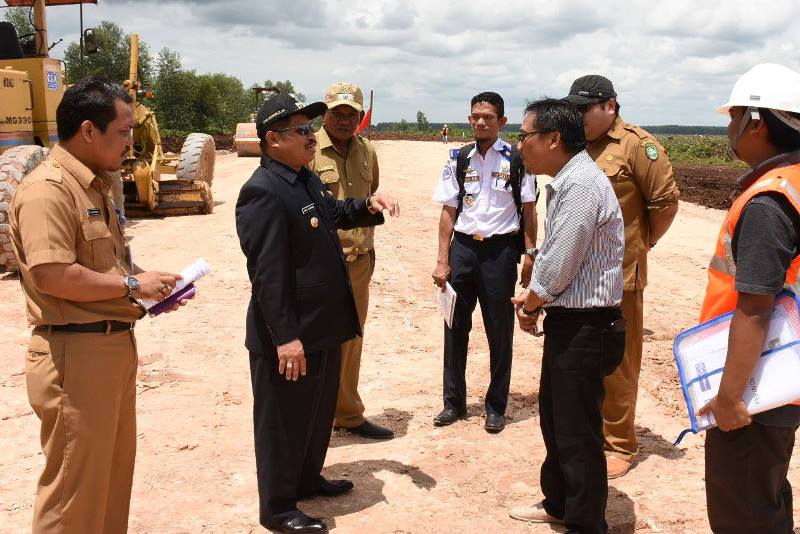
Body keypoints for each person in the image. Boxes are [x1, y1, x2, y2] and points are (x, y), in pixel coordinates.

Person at [9, 76, 190, 533]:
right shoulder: (48, 190)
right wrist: (132, 284)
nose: (130, 142)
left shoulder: (96, 185)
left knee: (108, 483)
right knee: (73, 496)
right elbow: (51, 274)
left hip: (108, 350)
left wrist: (148, 285)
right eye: (124, 131)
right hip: (75, 356)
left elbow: (101, 266)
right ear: (88, 130)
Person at [235, 91, 399, 533]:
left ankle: (307, 479)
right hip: (291, 334)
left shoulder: (302, 178)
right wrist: (285, 336)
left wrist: (367, 205)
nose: (311, 137)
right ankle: (278, 507)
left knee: (315, 413)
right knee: (283, 421)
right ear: (273, 139)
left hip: (322, 325)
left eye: (311, 128)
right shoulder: (263, 191)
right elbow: (267, 274)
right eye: (301, 130)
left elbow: (334, 212)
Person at [508, 98, 625, 534]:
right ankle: (559, 502)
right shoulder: (566, 181)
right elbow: (556, 251)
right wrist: (539, 296)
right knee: (558, 421)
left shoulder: (580, 185)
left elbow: (561, 263)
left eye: (525, 136)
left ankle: (586, 523)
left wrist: (533, 300)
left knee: (578, 432)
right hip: (572, 323)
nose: (520, 146)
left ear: (553, 139)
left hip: (587, 327)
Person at [696, 63, 800, 534]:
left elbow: (755, 308)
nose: (728, 127)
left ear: (755, 121)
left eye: (732, 115)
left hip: (760, 387)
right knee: (767, 493)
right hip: (785, 373)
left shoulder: (767, 201)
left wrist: (731, 398)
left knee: (744, 511)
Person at [563, 75, 680, 478]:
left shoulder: (636, 145)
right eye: (573, 109)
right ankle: (593, 432)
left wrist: (641, 246)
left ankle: (619, 445)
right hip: (578, 274)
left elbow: (664, 204)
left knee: (619, 363)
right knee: (584, 358)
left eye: (584, 109)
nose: (577, 116)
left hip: (620, 275)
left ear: (609, 106)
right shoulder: (578, 146)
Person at [431, 91, 538, 433]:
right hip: (463, 250)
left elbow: (529, 210)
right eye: (475, 116)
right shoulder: (458, 159)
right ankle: (453, 403)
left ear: (501, 122)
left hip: (500, 253)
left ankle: (496, 406)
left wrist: (530, 255)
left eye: (488, 117)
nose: (480, 121)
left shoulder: (519, 160)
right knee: (454, 326)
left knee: (499, 330)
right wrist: (442, 259)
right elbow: (448, 212)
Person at [308, 82, 394, 440]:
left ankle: (347, 413)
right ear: (324, 115)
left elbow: (367, 196)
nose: (344, 120)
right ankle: (313, 419)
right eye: (337, 113)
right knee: (313, 342)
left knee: (351, 340)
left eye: (351, 114)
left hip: (359, 263)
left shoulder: (367, 151)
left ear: (360, 117)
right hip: (321, 264)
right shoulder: (309, 150)